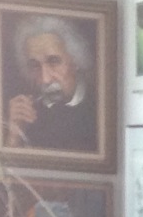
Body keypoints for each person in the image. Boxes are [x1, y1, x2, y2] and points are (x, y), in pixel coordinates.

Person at [8, 15, 98, 153]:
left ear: (75, 61)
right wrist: (15, 135)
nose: (45, 79)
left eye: (54, 61)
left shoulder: (98, 107)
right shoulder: (28, 114)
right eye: (35, 66)